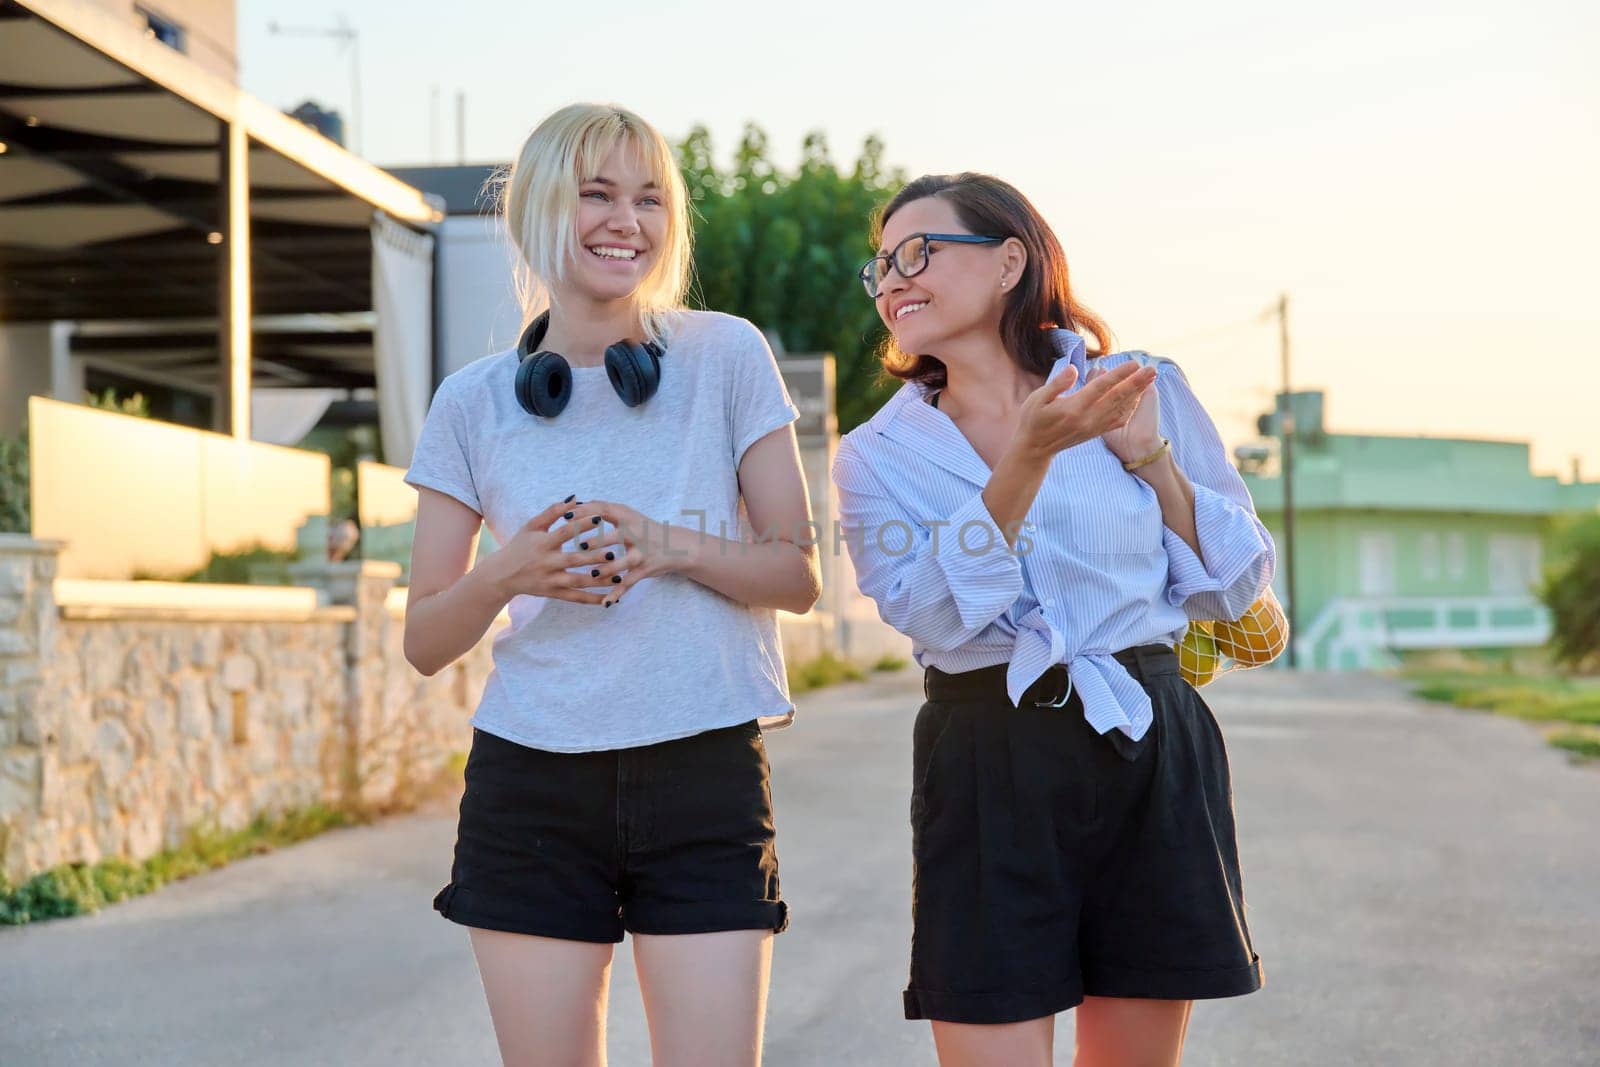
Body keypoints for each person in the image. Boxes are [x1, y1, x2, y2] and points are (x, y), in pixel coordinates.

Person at [402, 103, 819, 1067]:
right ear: (538, 212)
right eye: (597, 194)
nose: (625, 219)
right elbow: (425, 640)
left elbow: (796, 572)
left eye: (648, 199)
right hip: (532, 783)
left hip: (702, 766)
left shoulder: (725, 355)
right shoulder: (469, 402)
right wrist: (512, 571)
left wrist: (667, 545)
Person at [831, 172, 1275, 1067]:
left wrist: (1152, 461)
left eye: (919, 252)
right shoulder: (873, 456)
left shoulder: (1139, 387)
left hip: (1150, 739)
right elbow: (932, 615)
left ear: (1009, 260)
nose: (893, 280)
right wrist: (1027, 457)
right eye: (880, 267)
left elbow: (1233, 586)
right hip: (988, 747)